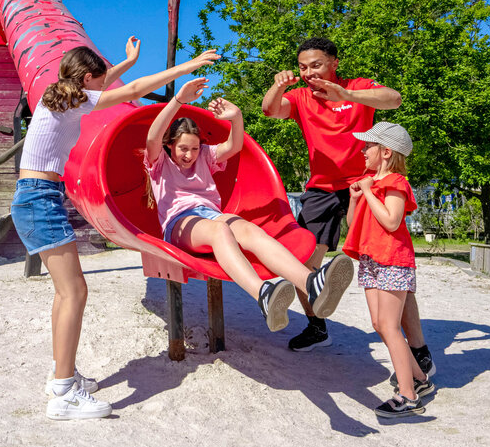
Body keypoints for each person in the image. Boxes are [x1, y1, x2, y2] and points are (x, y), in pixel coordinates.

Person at [14, 40, 220, 421]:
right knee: (74, 291)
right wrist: (187, 67)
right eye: (98, 79)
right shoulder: (73, 101)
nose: (102, 85)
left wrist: (126, 61)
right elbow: (131, 91)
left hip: (36, 196)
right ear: (85, 79)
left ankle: (62, 377)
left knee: (66, 292)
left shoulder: (60, 98)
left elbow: (107, 83)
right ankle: (63, 394)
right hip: (40, 199)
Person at [261, 37, 433, 376]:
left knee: (388, 268)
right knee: (301, 259)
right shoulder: (299, 96)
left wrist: (347, 96)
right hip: (322, 187)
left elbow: (394, 99)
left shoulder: (357, 87)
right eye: (302, 67)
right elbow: (270, 110)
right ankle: (316, 326)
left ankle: (418, 347)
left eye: (316, 65)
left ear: (333, 64)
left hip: (366, 183)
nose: (308, 72)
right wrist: (276, 87)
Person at [143, 78, 343, 333]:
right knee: (220, 231)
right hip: (180, 222)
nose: (189, 154)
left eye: (194, 148)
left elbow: (234, 146)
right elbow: (152, 136)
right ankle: (262, 294)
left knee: (250, 230)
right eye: (182, 148)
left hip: (211, 215)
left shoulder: (204, 156)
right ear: (170, 145)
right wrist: (179, 100)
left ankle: (311, 283)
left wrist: (236, 117)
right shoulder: (159, 162)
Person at [343, 121, 434, 418]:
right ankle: (419, 378)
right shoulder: (371, 182)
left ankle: (408, 396)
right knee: (380, 325)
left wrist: (369, 191)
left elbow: (392, 221)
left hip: (393, 259)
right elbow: (352, 223)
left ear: (385, 152)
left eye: (367, 146)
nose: (362, 151)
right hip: (372, 259)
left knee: (390, 326)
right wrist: (356, 198)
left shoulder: (395, 182)